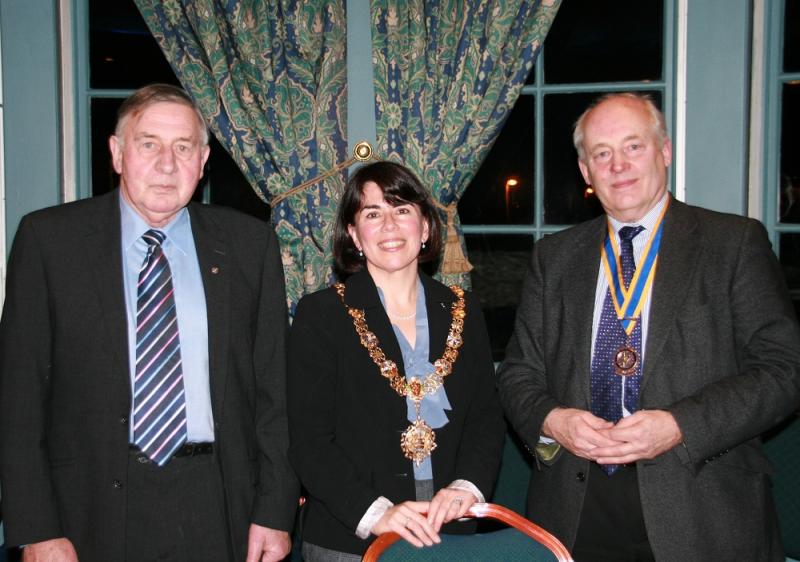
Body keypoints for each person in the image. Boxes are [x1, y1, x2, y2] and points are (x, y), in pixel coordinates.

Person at [0, 84, 298, 562]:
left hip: (220, 504)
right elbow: (19, 399)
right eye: (149, 144)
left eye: (183, 148)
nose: (167, 165)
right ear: (117, 153)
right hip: (88, 510)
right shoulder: (49, 242)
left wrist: (275, 511)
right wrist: (36, 529)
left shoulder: (248, 245)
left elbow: (274, 395)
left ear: (203, 161)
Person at [498, 92, 800, 561]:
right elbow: (519, 373)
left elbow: (784, 371)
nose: (618, 165)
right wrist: (553, 421)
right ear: (586, 171)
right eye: (602, 153)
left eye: (633, 146)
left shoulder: (733, 243)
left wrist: (680, 425)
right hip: (575, 511)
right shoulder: (554, 257)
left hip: (702, 506)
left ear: (665, 151)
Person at [287, 161, 505, 560]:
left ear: (425, 228)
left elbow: (485, 418)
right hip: (351, 539)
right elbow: (308, 440)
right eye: (372, 214)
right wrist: (377, 514)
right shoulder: (321, 315)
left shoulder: (463, 308)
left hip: (450, 532)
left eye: (402, 210)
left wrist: (467, 487)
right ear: (355, 235)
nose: (389, 225)